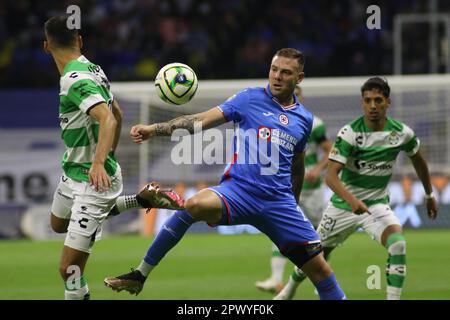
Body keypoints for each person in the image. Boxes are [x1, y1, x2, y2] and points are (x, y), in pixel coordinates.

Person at [104, 48, 346, 300]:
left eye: (286, 72)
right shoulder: (249, 98)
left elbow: (297, 164)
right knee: (194, 205)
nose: (277, 76)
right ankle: (139, 275)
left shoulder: (305, 120)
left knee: (322, 273)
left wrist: (292, 205)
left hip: (279, 203)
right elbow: (200, 120)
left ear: (300, 78)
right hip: (238, 191)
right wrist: (155, 129)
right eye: (274, 69)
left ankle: (146, 203)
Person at [45, 16, 183, 300]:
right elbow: (118, 112)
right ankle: (142, 199)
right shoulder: (92, 69)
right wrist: (108, 153)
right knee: (58, 224)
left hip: (91, 182)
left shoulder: (75, 79)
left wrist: (99, 162)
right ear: (79, 41)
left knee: (69, 269)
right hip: (72, 173)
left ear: (46, 47)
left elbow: (108, 118)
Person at [275, 77, 438, 300]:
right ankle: (288, 292)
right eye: (367, 100)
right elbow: (331, 178)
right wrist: (352, 201)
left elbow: (418, 160)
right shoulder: (350, 133)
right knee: (314, 256)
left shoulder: (401, 133)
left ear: (387, 102)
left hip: (376, 207)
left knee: (398, 244)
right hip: (343, 206)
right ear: (362, 103)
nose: (372, 106)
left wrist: (429, 194)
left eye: (378, 100)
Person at [255, 86, 332, 293]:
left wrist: (316, 169)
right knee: (280, 230)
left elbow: (330, 151)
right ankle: (275, 279)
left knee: (321, 236)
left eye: (297, 92)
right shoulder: (271, 119)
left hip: (312, 190)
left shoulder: (313, 123)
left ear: (301, 95)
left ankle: (322, 278)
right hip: (286, 189)